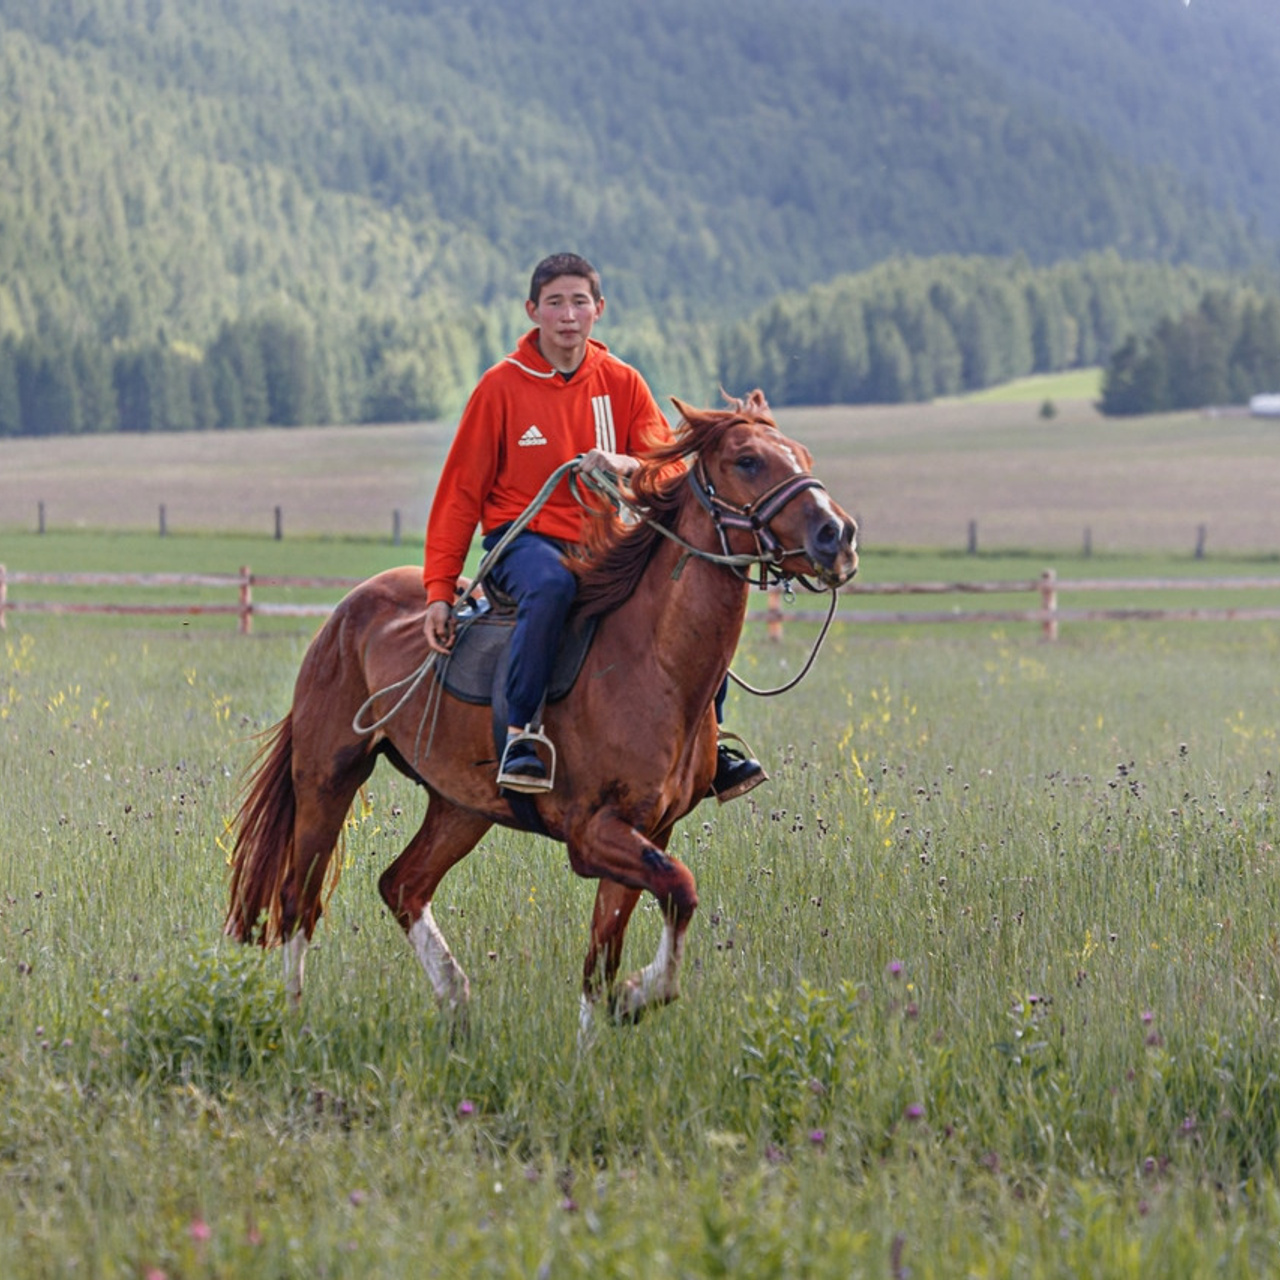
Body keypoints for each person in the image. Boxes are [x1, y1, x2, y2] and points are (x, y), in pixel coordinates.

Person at [422, 252, 765, 800]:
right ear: (532, 311)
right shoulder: (499, 388)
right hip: (523, 543)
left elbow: (672, 468)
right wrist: (440, 589)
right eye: (554, 302)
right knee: (552, 585)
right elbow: (459, 495)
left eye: (579, 301)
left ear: (598, 310)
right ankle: (522, 736)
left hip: (605, 542)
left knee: (688, 591)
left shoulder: (622, 382)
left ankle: (710, 743)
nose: (567, 314)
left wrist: (630, 466)